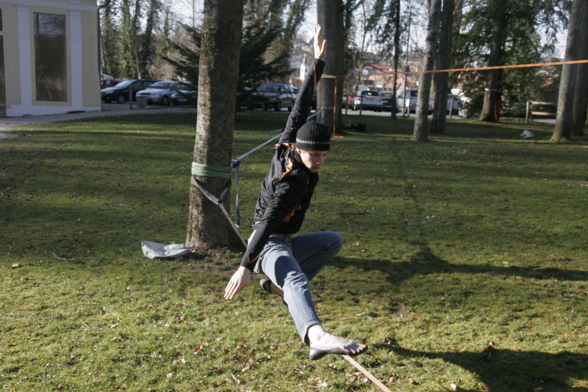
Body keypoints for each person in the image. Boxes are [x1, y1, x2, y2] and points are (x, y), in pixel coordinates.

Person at [224, 25, 367, 361]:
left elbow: (300, 106)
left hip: (285, 240)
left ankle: (276, 287)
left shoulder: (288, 142)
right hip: (268, 242)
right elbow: (269, 221)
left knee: (332, 240)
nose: (318, 161)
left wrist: (318, 62)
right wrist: (246, 265)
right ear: (301, 151)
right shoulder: (293, 182)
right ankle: (316, 336)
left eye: (323, 156)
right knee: (298, 281)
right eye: (313, 155)